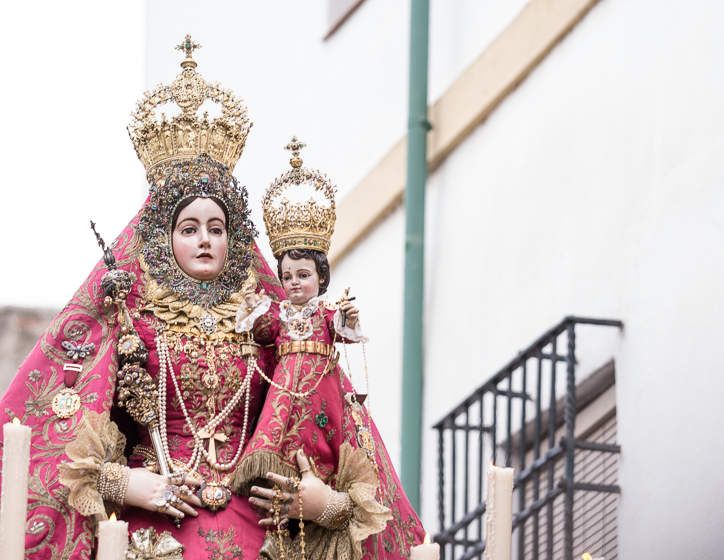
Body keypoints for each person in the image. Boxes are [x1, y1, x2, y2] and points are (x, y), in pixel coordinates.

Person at [0, 37, 286, 559]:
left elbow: (305, 416)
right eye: (190, 227)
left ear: (235, 239)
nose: (204, 239)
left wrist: (314, 499)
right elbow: (58, 428)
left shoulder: (267, 324)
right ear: (162, 237)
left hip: (254, 528)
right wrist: (127, 484)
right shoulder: (129, 315)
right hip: (154, 529)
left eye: (217, 228)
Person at [234, 139, 425, 559]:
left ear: (321, 278)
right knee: (283, 433)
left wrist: (349, 319)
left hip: (323, 383)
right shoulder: (280, 313)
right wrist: (249, 311)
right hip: (285, 382)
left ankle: (321, 484)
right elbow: (258, 330)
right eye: (288, 276)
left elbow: (346, 330)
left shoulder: (325, 312)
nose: (296, 283)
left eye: (304, 275)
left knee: (325, 432)